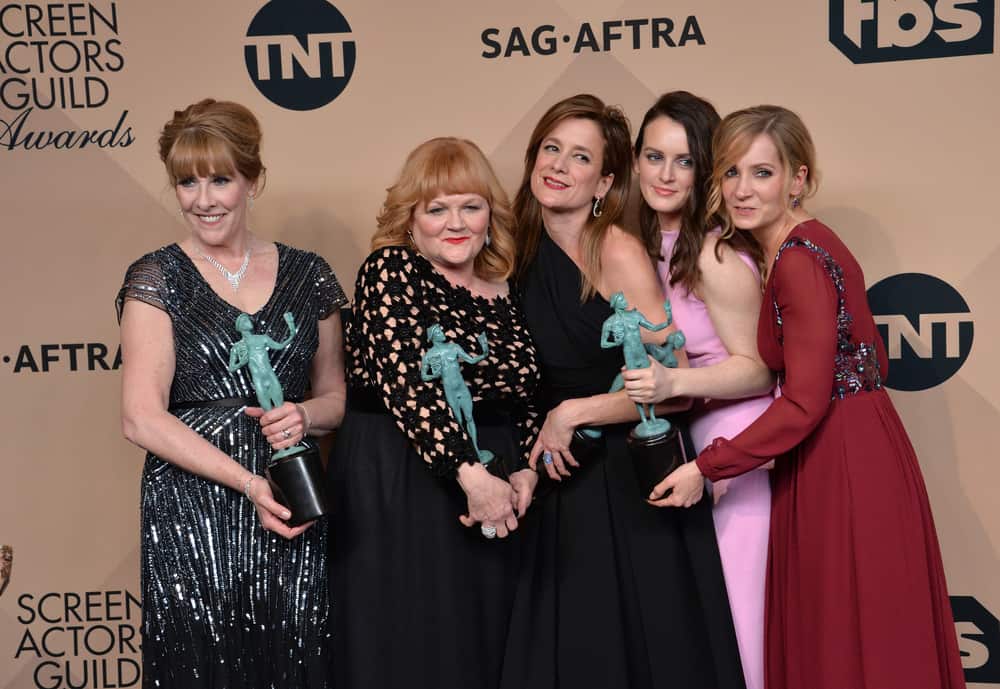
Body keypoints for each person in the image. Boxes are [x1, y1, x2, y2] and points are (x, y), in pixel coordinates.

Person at [650, 105, 965, 689]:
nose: (743, 191)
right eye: (731, 173)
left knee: (854, 628)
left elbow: (803, 402)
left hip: (840, 458)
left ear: (797, 179)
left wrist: (707, 465)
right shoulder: (805, 244)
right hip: (851, 445)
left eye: (763, 174)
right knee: (856, 629)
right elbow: (871, 357)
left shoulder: (796, 260)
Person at [500, 93, 745, 689]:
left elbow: (675, 385)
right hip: (557, 476)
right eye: (550, 149)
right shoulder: (511, 251)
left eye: (579, 157)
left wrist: (575, 410)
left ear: (605, 181)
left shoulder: (616, 249)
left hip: (628, 473)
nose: (557, 166)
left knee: (646, 650)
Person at [117, 99, 346, 689]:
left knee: (294, 657)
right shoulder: (157, 277)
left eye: (220, 179)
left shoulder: (309, 273)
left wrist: (302, 414)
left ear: (253, 178)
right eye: (186, 182)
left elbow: (335, 398)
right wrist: (249, 484)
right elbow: (141, 418)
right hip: (192, 508)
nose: (203, 199)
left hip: (293, 499)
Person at [327, 137, 541, 689]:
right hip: (405, 475)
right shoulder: (390, 269)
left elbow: (524, 393)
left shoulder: (505, 287)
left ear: (490, 214)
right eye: (436, 209)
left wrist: (524, 469)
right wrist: (471, 475)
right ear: (411, 219)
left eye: (470, 206)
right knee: (412, 641)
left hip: (499, 482)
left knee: (487, 643)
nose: (455, 223)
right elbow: (408, 388)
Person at [622, 91, 774, 689]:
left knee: (741, 617)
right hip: (687, 439)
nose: (666, 174)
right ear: (634, 163)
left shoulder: (712, 251)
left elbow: (759, 369)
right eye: (654, 157)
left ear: (704, 168)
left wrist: (672, 381)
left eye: (683, 161)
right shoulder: (631, 246)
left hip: (733, 439)